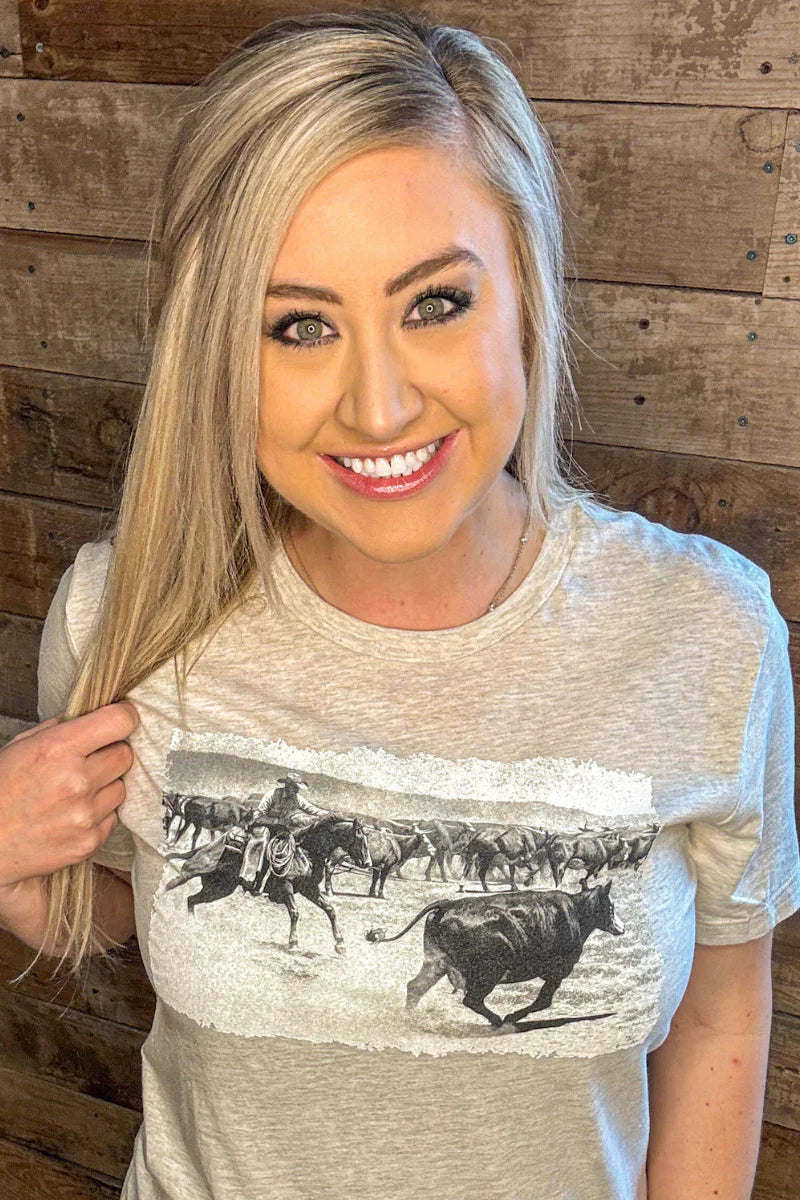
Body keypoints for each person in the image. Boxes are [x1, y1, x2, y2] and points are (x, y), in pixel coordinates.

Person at [0, 9, 798, 1199]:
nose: (376, 408)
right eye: (299, 326)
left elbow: (719, 1015)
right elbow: (139, 909)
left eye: (433, 304)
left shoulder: (707, 635)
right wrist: (18, 874)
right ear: (219, 353)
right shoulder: (126, 614)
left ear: (524, 295)